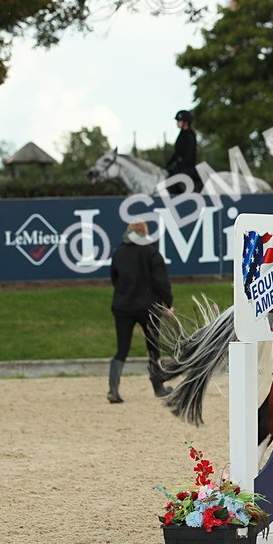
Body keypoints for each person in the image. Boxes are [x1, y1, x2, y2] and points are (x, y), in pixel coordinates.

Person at [107, 221, 174, 404]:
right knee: (153, 349)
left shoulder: (119, 252)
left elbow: (114, 278)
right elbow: (161, 281)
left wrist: (123, 294)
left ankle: (113, 389)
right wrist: (168, 303)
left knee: (122, 349)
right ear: (144, 233)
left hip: (123, 307)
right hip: (149, 309)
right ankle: (158, 388)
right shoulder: (151, 252)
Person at [165, 109, 202, 192]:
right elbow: (177, 153)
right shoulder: (181, 134)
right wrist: (167, 165)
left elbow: (189, 154)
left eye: (179, 121)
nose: (177, 123)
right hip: (180, 166)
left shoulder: (190, 135)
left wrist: (180, 162)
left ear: (186, 122)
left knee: (181, 181)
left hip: (188, 167)